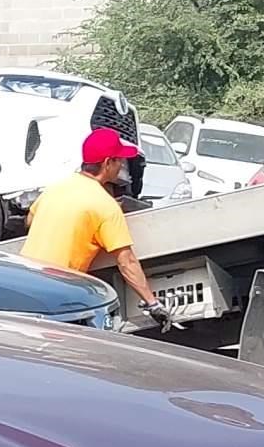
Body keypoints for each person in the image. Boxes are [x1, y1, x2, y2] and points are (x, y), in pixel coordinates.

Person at [22, 128, 169, 324]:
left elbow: (29, 221)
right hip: (54, 291)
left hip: (23, 280)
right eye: (120, 160)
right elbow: (127, 263)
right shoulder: (105, 205)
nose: (122, 167)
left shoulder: (56, 188)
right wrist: (153, 304)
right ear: (108, 163)